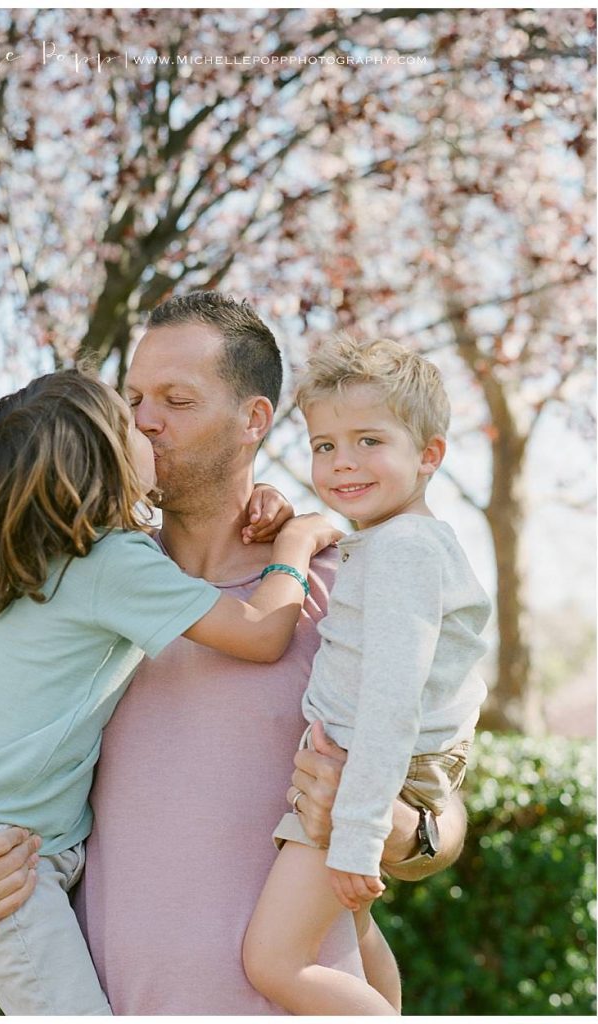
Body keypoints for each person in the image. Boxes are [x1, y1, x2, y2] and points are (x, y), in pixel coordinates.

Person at [0, 293, 468, 1014]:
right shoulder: (78, 601)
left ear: (253, 421)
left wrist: (391, 826)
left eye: (176, 400)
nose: (144, 420)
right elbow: (2, 787)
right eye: (135, 397)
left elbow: (442, 811)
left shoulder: (350, 594)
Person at [0, 365, 340, 1015]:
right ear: (101, 460)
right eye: (127, 412)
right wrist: (298, 539)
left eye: (173, 398)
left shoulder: (69, 558)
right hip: (3, 851)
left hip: (9, 837)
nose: (144, 423)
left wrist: (265, 500)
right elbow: (259, 633)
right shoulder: (111, 564)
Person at [243, 336, 491, 1014]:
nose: (341, 462)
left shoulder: (403, 550)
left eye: (368, 441)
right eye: (324, 445)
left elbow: (391, 698)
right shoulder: (391, 543)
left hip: (359, 772)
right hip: (365, 767)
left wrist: (356, 832)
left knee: (273, 962)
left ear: (429, 456)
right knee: (347, 936)